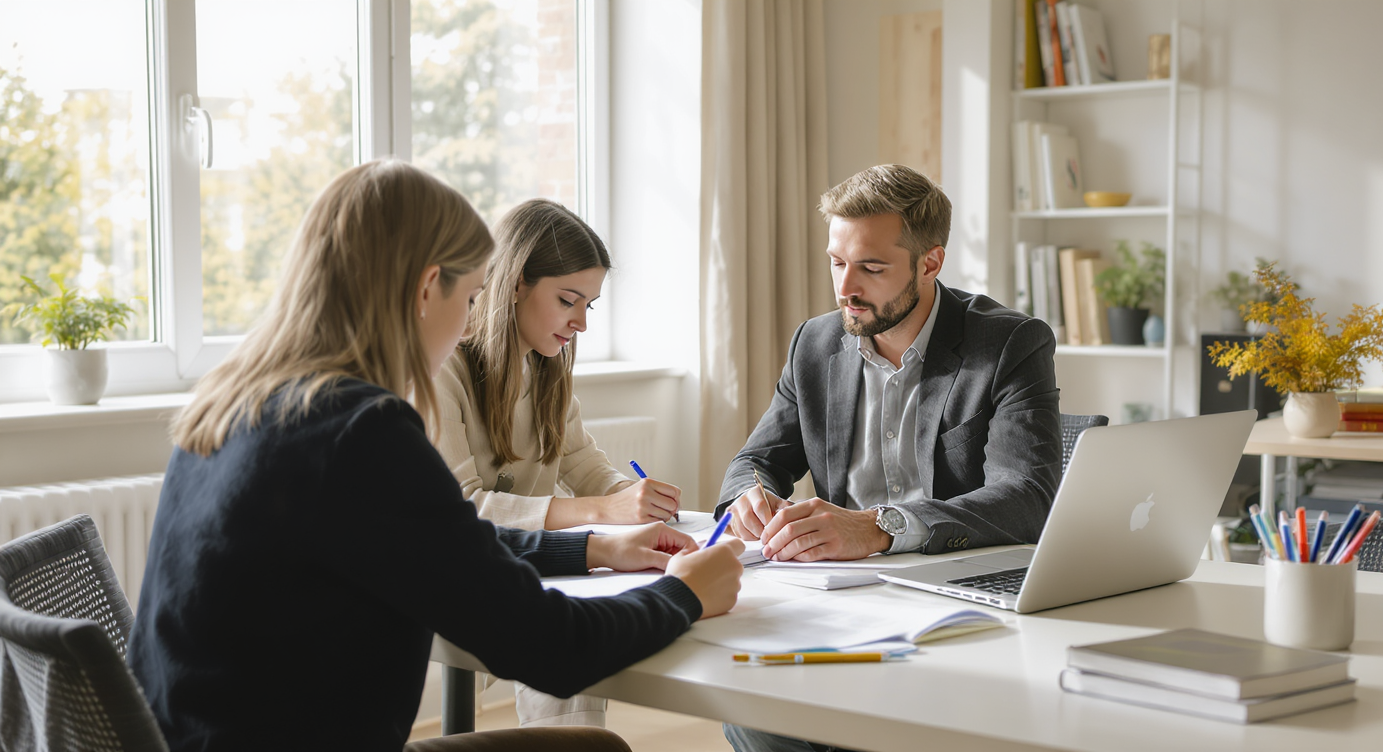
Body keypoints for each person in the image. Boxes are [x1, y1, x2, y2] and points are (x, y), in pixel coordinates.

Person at [127, 160, 745, 752]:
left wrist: (594, 549)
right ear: (428, 289)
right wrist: (684, 594)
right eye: (472, 298)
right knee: (593, 749)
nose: (474, 322)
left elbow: (445, 543)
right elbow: (552, 647)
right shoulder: (362, 433)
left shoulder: (234, 402)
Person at [717, 164, 1062, 752]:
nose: (846, 288)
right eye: (837, 262)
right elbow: (756, 459)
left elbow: (1027, 497)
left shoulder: (1009, 343)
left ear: (930, 262)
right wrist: (749, 496)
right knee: (754, 709)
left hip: (954, 600)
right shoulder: (814, 344)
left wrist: (881, 527)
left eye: (872, 268)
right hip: (842, 598)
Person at [433, 197, 683, 727]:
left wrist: (630, 496)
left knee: (583, 636)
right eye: (569, 300)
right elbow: (467, 510)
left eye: (589, 305)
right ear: (515, 284)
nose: (581, 323)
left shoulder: (546, 367)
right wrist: (603, 510)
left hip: (530, 565)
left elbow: (582, 461)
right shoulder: (443, 368)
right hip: (462, 573)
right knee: (568, 638)